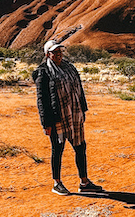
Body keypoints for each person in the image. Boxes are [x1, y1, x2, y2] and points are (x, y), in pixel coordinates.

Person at [32, 39, 104, 195]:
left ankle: (84, 182)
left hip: (75, 115)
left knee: (80, 147)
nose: (58, 55)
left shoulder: (70, 68)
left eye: (60, 52)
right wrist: (46, 123)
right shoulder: (43, 72)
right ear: (47, 54)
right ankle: (57, 183)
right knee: (57, 149)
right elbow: (41, 99)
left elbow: (79, 90)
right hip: (58, 118)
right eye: (54, 52)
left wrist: (83, 110)